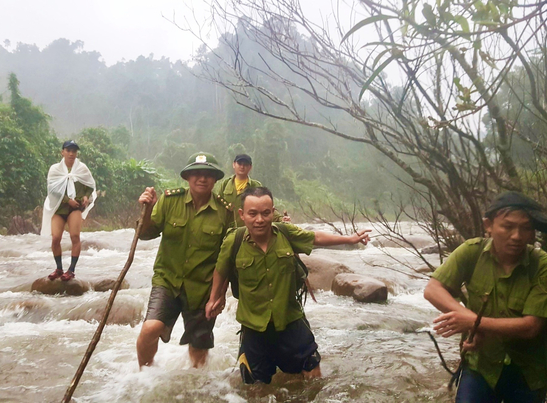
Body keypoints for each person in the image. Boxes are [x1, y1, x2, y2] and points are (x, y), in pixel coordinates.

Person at [206, 187, 371, 384]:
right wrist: (214, 298)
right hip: (253, 325)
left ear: (272, 211)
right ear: (242, 215)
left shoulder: (285, 233)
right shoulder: (234, 241)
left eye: (265, 213)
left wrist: (350, 239)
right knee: (255, 385)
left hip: (290, 319)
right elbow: (221, 270)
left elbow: (315, 238)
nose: (260, 219)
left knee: (312, 369)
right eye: (253, 213)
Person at [423, 192, 547, 403]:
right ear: (488, 225)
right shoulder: (472, 252)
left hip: (528, 371)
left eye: (526, 228)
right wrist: (473, 323)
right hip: (481, 364)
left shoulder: (546, 267)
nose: (517, 236)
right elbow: (433, 289)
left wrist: (474, 322)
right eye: (507, 227)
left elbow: (530, 327)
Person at [136, 152, 232, 369]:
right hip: (168, 280)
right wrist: (148, 209)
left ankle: (196, 389)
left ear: (215, 179)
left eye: (208, 174)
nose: (202, 178)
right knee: (150, 328)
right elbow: (146, 233)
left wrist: (219, 294)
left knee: (199, 347)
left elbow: (227, 258)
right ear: (187, 177)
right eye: (196, 173)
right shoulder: (170, 200)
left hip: (203, 288)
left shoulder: (225, 212)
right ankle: (144, 375)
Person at [41, 140, 96, 282]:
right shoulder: (55, 169)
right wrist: (66, 200)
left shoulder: (82, 168)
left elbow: (89, 185)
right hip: (59, 208)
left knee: (75, 237)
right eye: (68, 150)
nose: (71, 154)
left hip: (75, 208)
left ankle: (71, 270)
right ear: (63, 152)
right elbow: (52, 190)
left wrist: (85, 196)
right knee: (55, 238)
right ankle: (59, 268)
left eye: (74, 151)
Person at [215, 154, 289, 226]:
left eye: (245, 164)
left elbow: (267, 207)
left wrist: (281, 219)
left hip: (249, 231)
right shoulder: (225, 184)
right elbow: (218, 206)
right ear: (234, 165)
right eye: (239, 163)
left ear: (250, 167)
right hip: (228, 230)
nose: (242, 166)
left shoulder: (255, 185)